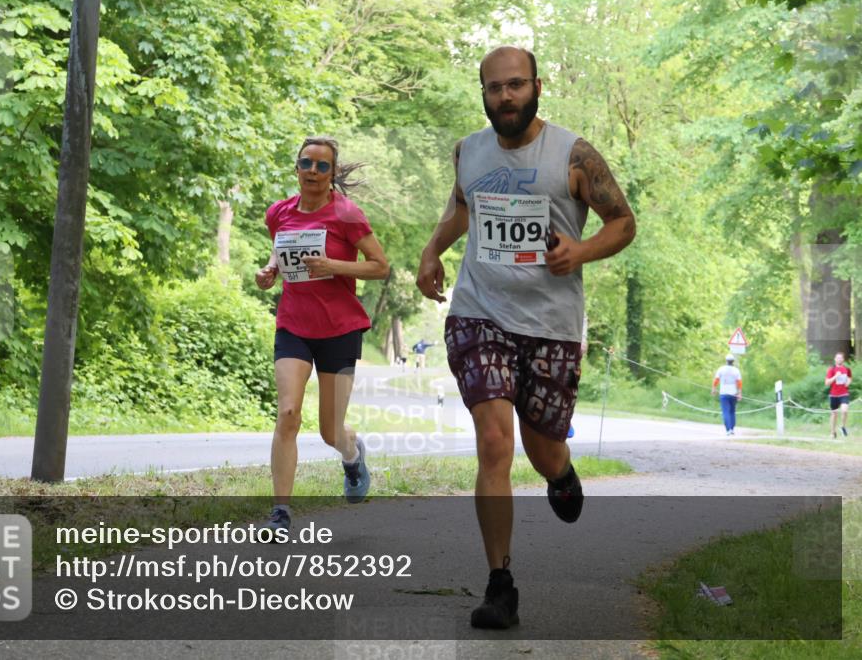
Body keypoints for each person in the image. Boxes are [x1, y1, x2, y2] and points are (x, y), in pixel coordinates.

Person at [415, 46, 636, 629]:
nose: (505, 97)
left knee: (543, 449)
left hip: (551, 325)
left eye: (515, 86)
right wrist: (432, 250)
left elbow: (623, 222)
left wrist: (582, 249)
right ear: (483, 92)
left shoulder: (574, 153)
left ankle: (560, 472)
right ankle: (500, 585)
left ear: (537, 86)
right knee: (493, 440)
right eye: (494, 88)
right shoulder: (469, 150)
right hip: (479, 311)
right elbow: (463, 207)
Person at [255, 136, 390, 534]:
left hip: (339, 328)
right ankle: (280, 512)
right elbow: (281, 251)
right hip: (294, 324)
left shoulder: (347, 215)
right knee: (288, 414)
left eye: (322, 166)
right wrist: (269, 271)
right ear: (296, 168)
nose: (313, 172)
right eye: (306, 164)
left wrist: (333, 264)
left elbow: (379, 266)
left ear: (332, 174)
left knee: (330, 430)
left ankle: (352, 455)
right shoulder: (278, 213)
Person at [711, 354, 743, 436]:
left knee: (726, 411)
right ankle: (732, 429)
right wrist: (739, 393)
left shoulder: (721, 369)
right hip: (733, 393)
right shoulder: (736, 370)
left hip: (724, 393)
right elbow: (739, 382)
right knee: (732, 411)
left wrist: (714, 388)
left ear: (726, 361)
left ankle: (728, 429)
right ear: (733, 361)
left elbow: (716, 380)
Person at [825, 352, 852, 438]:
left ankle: (843, 426)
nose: (839, 359)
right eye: (837, 358)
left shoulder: (847, 369)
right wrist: (835, 377)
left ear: (843, 359)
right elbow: (827, 383)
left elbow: (850, 378)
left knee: (844, 410)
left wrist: (848, 382)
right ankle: (833, 433)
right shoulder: (831, 369)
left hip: (844, 393)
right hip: (834, 395)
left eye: (841, 358)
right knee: (834, 414)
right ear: (835, 359)